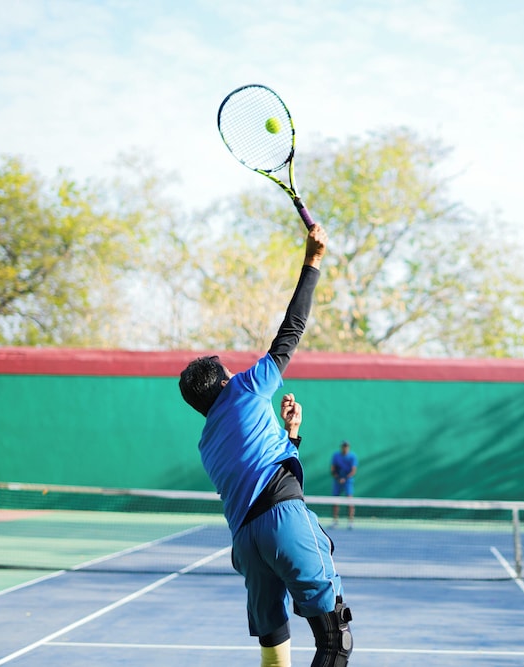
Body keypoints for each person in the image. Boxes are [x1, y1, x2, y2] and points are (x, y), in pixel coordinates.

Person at [179, 223, 354, 667]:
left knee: (275, 655)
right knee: (335, 642)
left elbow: (266, 474)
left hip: (246, 544)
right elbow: (291, 330)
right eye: (229, 371)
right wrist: (313, 260)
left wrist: (291, 434)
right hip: (282, 524)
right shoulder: (244, 388)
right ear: (225, 383)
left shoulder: (208, 442)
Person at [330, 441, 359, 528]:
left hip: (348, 481)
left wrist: (345, 479)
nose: (345, 448)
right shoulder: (336, 456)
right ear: (341, 447)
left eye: (346, 446)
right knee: (335, 501)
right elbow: (333, 469)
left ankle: (350, 522)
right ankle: (335, 521)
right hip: (337, 481)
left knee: (350, 500)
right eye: (343, 446)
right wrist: (338, 478)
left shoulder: (352, 456)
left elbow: (353, 470)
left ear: (348, 447)